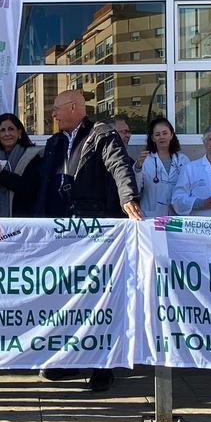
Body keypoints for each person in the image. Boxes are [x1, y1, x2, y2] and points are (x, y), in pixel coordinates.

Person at [36, 89, 142, 391]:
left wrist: (128, 198)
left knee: (98, 300)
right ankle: (66, 360)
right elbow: (44, 183)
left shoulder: (102, 135)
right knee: (65, 299)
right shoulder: (56, 142)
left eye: (56, 109)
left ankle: (103, 366)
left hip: (95, 232)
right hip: (60, 232)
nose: (53, 115)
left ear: (73, 107)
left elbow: (119, 167)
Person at [0, 113, 43, 218]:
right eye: (2, 130)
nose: (7, 134)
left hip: (23, 224)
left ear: (19, 132)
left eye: (11, 129)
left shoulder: (34, 157)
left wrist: (1, 175)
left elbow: (30, 189)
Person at [134, 117, 189, 218]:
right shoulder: (145, 160)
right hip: (151, 215)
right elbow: (135, 189)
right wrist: (138, 168)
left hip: (177, 215)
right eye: (157, 134)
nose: (161, 137)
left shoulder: (183, 160)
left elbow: (189, 188)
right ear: (153, 138)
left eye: (165, 133)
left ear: (171, 135)